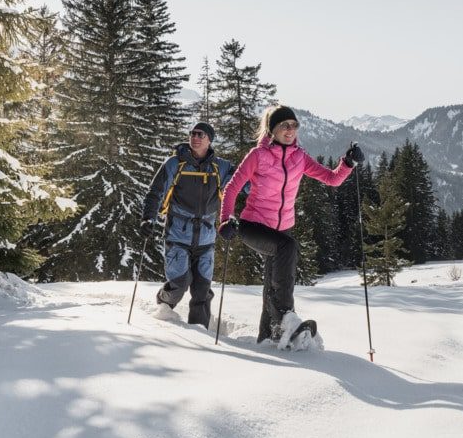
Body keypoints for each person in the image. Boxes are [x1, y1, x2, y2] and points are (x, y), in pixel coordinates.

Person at [218, 105, 363, 347]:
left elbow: (331, 178)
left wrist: (347, 163)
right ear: (272, 129)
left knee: (273, 283)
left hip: (282, 228)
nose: (290, 130)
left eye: (294, 125)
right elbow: (232, 188)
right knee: (288, 247)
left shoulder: (299, 157)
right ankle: (286, 318)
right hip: (253, 225)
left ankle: (268, 338)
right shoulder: (258, 155)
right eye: (285, 125)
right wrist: (225, 219)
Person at [141, 122, 236, 327]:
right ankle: (163, 303)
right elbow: (155, 193)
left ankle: (199, 331)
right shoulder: (175, 164)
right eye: (193, 133)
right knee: (179, 284)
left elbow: (242, 186)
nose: (195, 137)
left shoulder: (222, 167)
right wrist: (148, 218)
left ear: (210, 139)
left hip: (206, 237)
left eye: (201, 134)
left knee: (203, 289)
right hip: (177, 235)